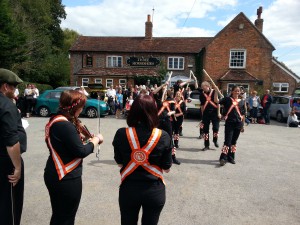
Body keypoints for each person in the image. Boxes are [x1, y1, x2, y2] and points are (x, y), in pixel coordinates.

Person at [44, 90, 103, 225]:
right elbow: (81, 151)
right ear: (75, 107)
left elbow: (68, 142)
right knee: (66, 217)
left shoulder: (56, 118)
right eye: (81, 106)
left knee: (59, 214)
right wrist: (96, 140)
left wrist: (84, 137)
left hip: (55, 173)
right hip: (66, 177)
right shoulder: (65, 125)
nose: (82, 109)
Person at [113, 94, 172, 225]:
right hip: (154, 190)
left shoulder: (121, 134)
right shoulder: (164, 136)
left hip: (129, 189)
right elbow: (167, 168)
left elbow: (119, 162)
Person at [0, 68, 27, 225]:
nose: (15, 89)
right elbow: (12, 141)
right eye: (14, 86)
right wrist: (17, 168)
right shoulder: (7, 106)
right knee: (9, 207)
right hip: (6, 161)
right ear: (5, 86)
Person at [214, 85, 246, 166]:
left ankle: (231, 157)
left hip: (238, 124)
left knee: (234, 142)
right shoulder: (227, 99)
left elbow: (243, 114)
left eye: (238, 91)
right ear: (232, 91)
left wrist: (243, 126)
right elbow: (216, 100)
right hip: (229, 123)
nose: (237, 92)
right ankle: (223, 158)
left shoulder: (242, 101)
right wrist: (216, 91)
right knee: (227, 141)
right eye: (235, 91)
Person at [199, 81, 220, 150]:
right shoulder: (202, 94)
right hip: (206, 114)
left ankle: (215, 140)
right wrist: (202, 115)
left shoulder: (214, 92)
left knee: (216, 128)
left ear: (207, 86)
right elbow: (202, 105)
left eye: (203, 87)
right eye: (202, 87)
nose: (202, 88)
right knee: (205, 131)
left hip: (214, 113)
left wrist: (219, 113)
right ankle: (206, 145)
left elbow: (218, 103)